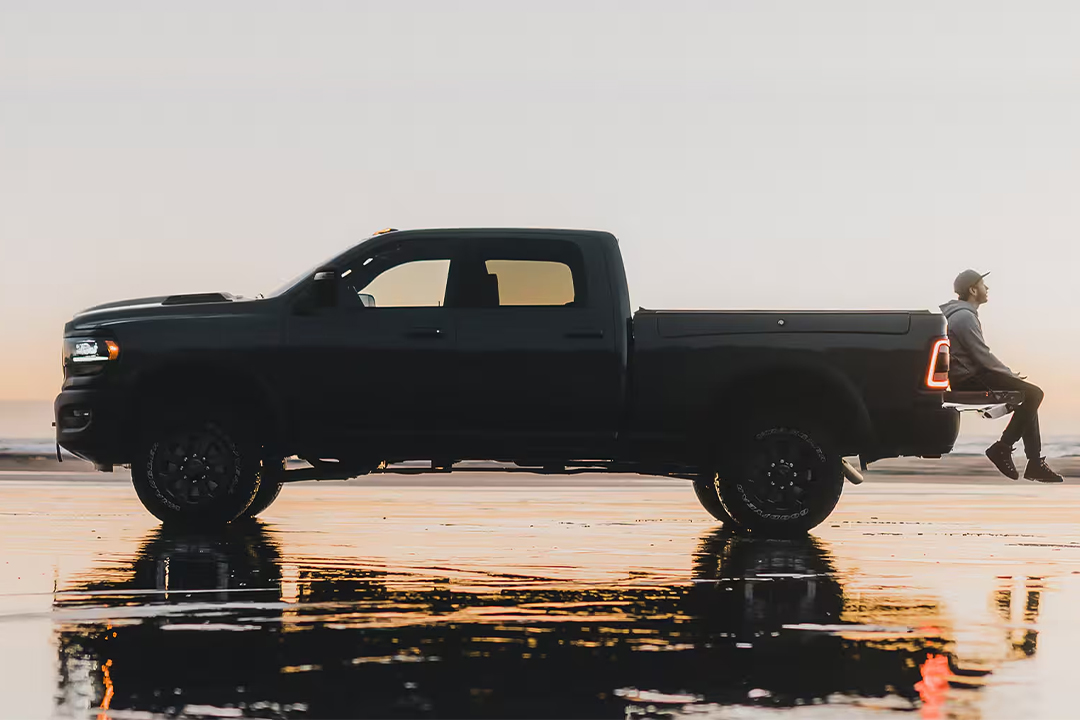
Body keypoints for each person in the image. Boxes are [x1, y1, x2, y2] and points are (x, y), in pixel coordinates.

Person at [940, 270, 1063, 482]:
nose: (987, 289)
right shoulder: (963, 317)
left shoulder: (963, 315)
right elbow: (982, 356)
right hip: (971, 379)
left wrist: (1010, 376)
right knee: (1034, 394)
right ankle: (1003, 448)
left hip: (972, 375)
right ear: (972, 290)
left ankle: (1034, 463)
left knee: (1029, 396)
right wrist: (1009, 374)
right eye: (983, 284)